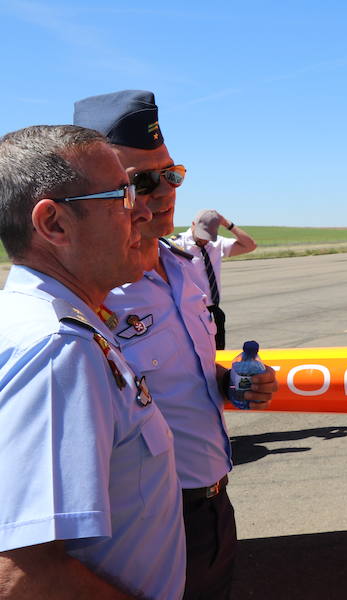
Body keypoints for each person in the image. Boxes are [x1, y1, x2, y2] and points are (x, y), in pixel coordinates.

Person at [74, 90, 277, 600]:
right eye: (141, 180)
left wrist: (231, 383)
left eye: (171, 174)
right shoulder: (90, 289)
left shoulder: (185, 267)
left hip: (215, 500)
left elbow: (178, 373)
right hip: (145, 518)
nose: (164, 192)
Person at [0, 125, 186, 598]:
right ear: (54, 225)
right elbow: (21, 577)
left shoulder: (55, 323)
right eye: (124, 195)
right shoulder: (59, 348)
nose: (145, 210)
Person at [172, 209, 257, 350]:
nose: (205, 240)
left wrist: (228, 224)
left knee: (218, 355)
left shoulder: (216, 244)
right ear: (193, 225)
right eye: (202, 235)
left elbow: (250, 245)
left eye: (208, 236)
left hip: (213, 312)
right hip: (190, 314)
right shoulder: (177, 245)